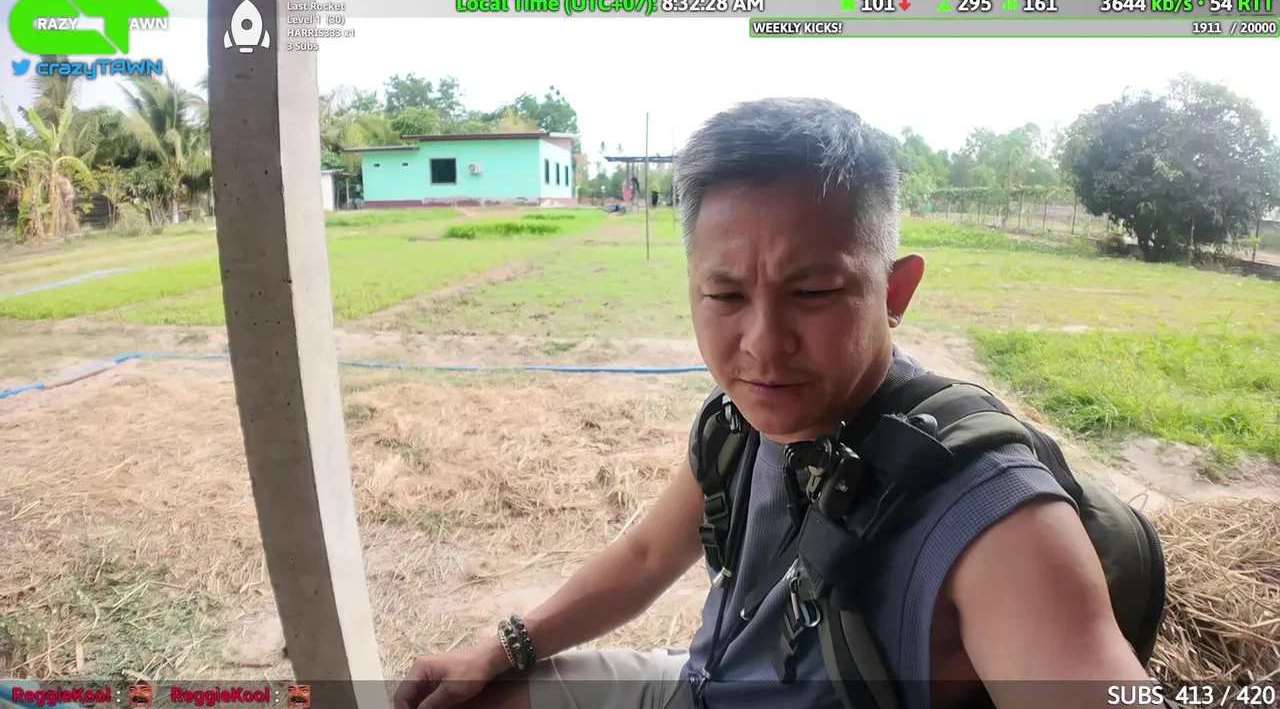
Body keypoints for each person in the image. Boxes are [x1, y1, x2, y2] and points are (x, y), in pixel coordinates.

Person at [393, 98, 1154, 709]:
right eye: (725, 296)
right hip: (701, 681)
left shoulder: (990, 512)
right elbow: (648, 557)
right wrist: (501, 648)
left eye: (813, 292)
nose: (762, 345)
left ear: (895, 292)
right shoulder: (739, 424)